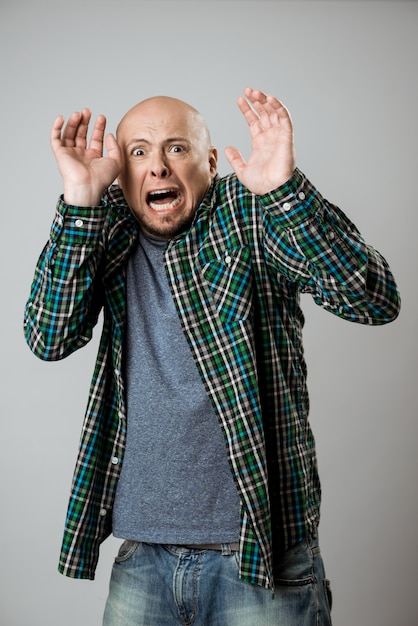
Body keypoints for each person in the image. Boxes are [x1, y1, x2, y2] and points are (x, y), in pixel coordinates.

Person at [24, 88, 400, 626]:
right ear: (122, 173)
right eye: (138, 153)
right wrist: (80, 199)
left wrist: (285, 194)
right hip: (143, 556)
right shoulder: (104, 229)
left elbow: (375, 300)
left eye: (176, 148)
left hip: (259, 556)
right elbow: (47, 337)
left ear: (211, 162)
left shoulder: (253, 213)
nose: (157, 166)